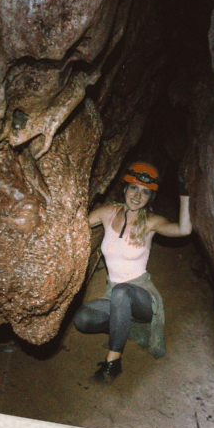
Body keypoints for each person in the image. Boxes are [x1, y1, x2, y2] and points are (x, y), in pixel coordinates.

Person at [73, 161, 191, 382]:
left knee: (123, 293)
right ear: (125, 188)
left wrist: (184, 194)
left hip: (141, 296)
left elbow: (183, 230)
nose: (138, 196)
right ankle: (122, 321)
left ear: (150, 198)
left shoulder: (151, 222)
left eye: (145, 192)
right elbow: (76, 225)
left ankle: (112, 363)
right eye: (134, 188)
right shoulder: (108, 213)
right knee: (83, 320)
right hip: (113, 292)